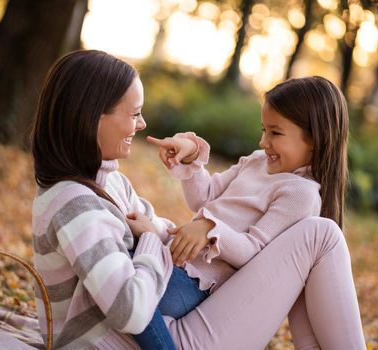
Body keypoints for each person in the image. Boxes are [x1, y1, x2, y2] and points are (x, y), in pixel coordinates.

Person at [31, 50, 366, 350]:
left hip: (184, 296)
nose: (143, 123)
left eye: (275, 133)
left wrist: (189, 230)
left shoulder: (110, 183)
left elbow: (159, 228)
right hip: (138, 329)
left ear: (315, 139)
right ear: (92, 116)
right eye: (134, 114)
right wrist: (188, 180)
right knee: (324, 236)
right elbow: (132, 304)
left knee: (321, 236)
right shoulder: (76, 202)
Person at [134, 76, 349, 347]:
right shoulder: (257, 162)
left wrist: (210, 230)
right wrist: (191, 160)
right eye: (264, 130)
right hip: (175, 261)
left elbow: (253, 252)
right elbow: (206, 197)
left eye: (276, 133)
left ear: (315, 140)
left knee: (124, 283)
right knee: (116, 259)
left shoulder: (300, 194)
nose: (263, 142)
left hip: (194, 284)